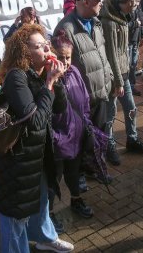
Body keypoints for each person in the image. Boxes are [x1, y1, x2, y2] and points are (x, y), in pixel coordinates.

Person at [0, 23, 74, 253]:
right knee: (15, 213)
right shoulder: (16, 78)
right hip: (17, 158)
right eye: (40, 47)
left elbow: (59, 107)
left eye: (47, 45)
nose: (47, 50)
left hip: (38, 153)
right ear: (25, 52)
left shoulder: (39, 73)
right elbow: (36, 121)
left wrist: (55, 80)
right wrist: (49, 83)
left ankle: (44, 238)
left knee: (41, 198)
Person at [54, 0, 113, 154]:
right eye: (98, 0)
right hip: (83, 99)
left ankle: (97, 166)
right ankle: (86, 172)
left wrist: (110, 78)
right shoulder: (65, 29)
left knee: (100, 135)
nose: (101, 3)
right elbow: (63, 70)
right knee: (84, 141)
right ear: (86, 1)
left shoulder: (96, 23)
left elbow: (102, 54)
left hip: (101, 93)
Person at [101, 0, 143, 166]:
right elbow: (112, 53)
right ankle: (109, 145)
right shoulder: (109, 20)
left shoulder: (124, 16)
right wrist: (117, 80)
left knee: (131, 108)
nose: (138, 5)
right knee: (110, 113)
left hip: (123, 75)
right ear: (130, 1)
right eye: (137, 1)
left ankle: (132, 139)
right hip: (113, 77)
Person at [48, 34, 95, 231]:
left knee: (74, 173)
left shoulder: (75, 71)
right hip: (58, 141)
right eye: (61, 57)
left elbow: (85, 100)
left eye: (68, 57)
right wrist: (56, 138)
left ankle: (76, 200)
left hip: (76, 135)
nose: (65, 62)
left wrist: (85, 125)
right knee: (54, 178)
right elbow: (45, 115)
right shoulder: (48, 79)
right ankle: (48, 214)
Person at [125, 0, 143, 96]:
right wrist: (135, 24)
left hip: (135, 39)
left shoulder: (137, 4)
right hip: (126, 41)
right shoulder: (125, 5)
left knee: (133, 64)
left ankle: (131, 86)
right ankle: (126, 87)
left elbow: (141, 19)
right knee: (127, 65)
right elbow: (123, 25)